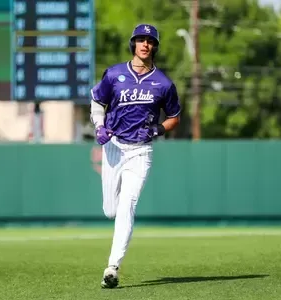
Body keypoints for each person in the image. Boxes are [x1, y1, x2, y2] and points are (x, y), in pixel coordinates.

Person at [89, 23, 181, 288]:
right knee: (111, 210)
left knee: (127, 205)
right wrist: (99, 126)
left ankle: (112, 267)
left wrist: (158, 129)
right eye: (140, 39)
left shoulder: (163, 83)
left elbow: (174, 117)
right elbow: (97, 102)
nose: (145, 44)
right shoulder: (115, 74)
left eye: (150, 41)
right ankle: (116, 238)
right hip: (114, 146)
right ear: (133, 44)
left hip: (141, 150)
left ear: (155, 47)